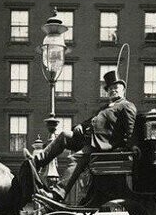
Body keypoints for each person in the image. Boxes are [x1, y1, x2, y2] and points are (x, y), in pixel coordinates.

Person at [26, 69, 137, 202]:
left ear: (123, 89)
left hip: (103, 147)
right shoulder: (105, 107)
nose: (113, 90)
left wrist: (130, 146)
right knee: (64, 135)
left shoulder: (126, 106)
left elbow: (131, 129)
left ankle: (57, 194)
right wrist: (80, 126)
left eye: (116, 87)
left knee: (75, 158)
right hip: (90, 139)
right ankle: (36, 162)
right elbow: (90, 121)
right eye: (110, 88)